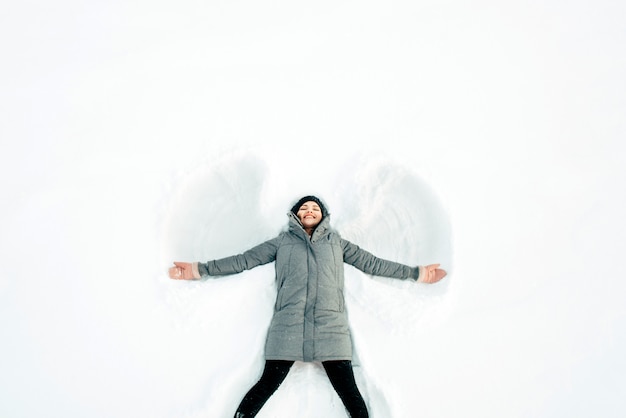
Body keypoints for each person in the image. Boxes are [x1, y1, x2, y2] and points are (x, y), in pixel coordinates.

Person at [168, 195, 446, 418]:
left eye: (315, 207)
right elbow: (243, 260)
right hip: (288, 328)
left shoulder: (337, 243)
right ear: (296, 215)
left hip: (330, 329)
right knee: (266, 386)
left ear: (323, 215)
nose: (310, 210)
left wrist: (418, 273)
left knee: (350, 393)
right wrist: (197, 269)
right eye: (304, 208)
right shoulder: (282, 243)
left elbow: (373, 263)